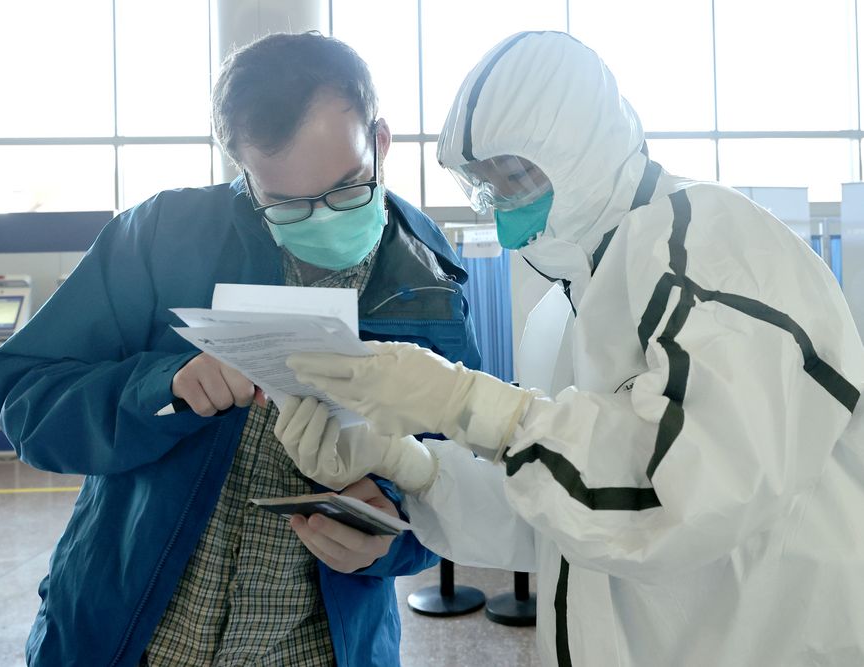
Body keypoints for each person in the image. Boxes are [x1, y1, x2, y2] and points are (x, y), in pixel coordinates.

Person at [277, 30, 864, 666]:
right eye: (487, 184)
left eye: (517, 174)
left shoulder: (711, 246)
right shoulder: (570, 308)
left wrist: (468, 403)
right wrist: (415, 467)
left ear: (584, 144)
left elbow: (683, 496)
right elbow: (567, 517)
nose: (503, 203)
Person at [0, 32, 480, 667]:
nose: (324, 217)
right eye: (287, 204)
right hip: (131, 637)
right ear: (242, 169)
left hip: (316, 649)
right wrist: (163, 389)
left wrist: (390, 545)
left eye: (349, 187)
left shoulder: (425, 280)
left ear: (380, 140)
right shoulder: (161, 236)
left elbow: (467, 474)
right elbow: (31, 400)